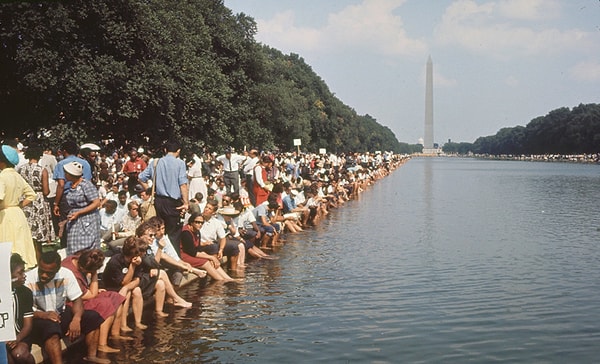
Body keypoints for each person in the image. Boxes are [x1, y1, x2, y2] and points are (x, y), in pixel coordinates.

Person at [25, 251, 109, 364]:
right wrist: (43, 315)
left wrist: (76, 319)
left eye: (49, 273)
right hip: (38, 319)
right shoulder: (28, 279)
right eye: (42, 271)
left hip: (59, 314)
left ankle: (91, 356)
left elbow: (77, 300)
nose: (44, 275)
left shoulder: (66, 274)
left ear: (57, 269)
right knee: (51, 330)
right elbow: (23, 311)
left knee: (93, 317)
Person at [61, 249, 128, 353]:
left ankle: (115, 334)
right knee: (106, 304)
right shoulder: (72, 274)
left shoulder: (74, 259)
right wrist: (94, 274)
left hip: (84, 294)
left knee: (116, 296)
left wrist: (93, 290)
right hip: (73, 302)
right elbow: (92, 295)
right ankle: (102, 344)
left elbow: (91, 292)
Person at [138, 140, 189, 256]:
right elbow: (183, 184)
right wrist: (186, 202)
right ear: (178, 151)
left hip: (159, 201)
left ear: (165, 150)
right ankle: (174, 262)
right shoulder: (180, 163)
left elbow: (141, 178)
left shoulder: (155, 162)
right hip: (173, 202)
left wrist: (149, 189)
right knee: (173, 233)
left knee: (158, 230)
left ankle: (159, 257)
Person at [136, 222, 192, 310]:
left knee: (161, 284)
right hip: (138, 279)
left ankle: (159, 311)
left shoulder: (147, 247)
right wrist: (160, 248)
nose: (153, 238)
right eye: (150, 235)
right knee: (161, 273)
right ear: (140, 236)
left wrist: (153, 267)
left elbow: (154, 264)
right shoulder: (138, 248)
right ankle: (176, 298)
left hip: (145, 277)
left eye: (154, 235)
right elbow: (152, 264)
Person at [0, 145, 37, 269]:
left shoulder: (2, 177)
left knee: (7, 243)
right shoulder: (17, 176)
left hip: (5, 216)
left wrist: (5, 205)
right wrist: (18, 205)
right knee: (20, 243)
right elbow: (31, 195)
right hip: (17, 213)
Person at [52, 141, 92, 248]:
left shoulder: (61, 164)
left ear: (64, 151)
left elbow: (61, 184)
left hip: (67, 198)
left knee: (66, 224)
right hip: (84, 196)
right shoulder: (86, 163)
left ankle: (67, 249)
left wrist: (56, 203)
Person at [17, 145, 56, 257]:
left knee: (27, 230)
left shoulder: (21, 169)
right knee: (38, 233)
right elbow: (46, 191)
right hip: (38, 201)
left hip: (25, 200)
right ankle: (38, 258)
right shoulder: (42, 170)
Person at [146, 216, 207, 286]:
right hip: (152, 267)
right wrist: (182, 266)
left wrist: (184, 263)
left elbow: (173, 255)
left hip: (166, 266)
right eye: (158, 230)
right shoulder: (151, 240)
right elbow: (163, 256)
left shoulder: (164, 237)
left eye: (163, 228)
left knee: (178, 274)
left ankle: (172, 294)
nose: (162, 232)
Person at [179, 212, 235, 282]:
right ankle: (221, 280)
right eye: (197, 222)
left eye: (201, 223)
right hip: (184, 255)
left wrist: (211, 258)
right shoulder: (186, 233)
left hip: (192, 253)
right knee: (206, 262)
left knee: (212, 261)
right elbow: (191, 252)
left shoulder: (197, 231)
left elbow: (198, 248)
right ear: (191, 222)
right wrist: (210, 257)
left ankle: (228, 279)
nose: (200, 224)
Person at [63, 161, 101, 255]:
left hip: (87, 218)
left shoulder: (86, 185)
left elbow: (96, 203)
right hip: (75, 218)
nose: (64, 175)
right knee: (74, 245)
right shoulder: (71, 185)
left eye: (66, 173)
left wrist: (79, 213)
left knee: (86, 247)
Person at [7, 253, 35, 364]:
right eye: (20, 272)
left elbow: (28, 325)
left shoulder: (25, 292)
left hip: (20, 336)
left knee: (20, 354)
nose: (24, 275)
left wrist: (17, 338)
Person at [199, 200, 240, 271]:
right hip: (201, 244)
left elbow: (223, 238)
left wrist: (221, 249)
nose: (206, 209)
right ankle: (216, 271)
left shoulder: (216, 222)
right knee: (213, 247)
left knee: (234, 247)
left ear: (213, 212)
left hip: (212, 243)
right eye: (206, 207)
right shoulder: (198, 219)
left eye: (209, 209)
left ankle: (234, 271)